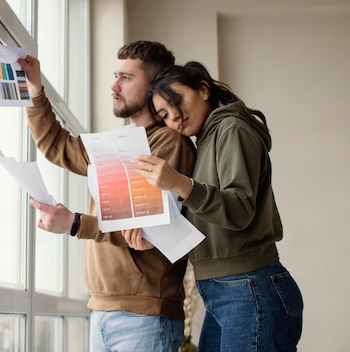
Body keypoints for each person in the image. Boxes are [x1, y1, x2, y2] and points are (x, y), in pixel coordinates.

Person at [17, 41, 197, 352]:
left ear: (155, 86)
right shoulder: (119, 143)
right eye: (115, 75)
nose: (113, 86)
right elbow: (57, 145)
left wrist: (74, 223)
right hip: (102, 310)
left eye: (126, 78)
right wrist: (35, 90)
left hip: (144, 316)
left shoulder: (169, 143)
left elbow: (144, 225)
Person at [131, 61, 303, 351]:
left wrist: (178, 182)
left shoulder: (232, 129)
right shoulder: (206, 141)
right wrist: (158, 238)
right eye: (164, 115)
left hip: (249, 288)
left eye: (177, 102)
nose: (174, 117)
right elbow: (210, 219)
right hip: (224, 290)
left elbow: (239, 209)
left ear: (203, 89)